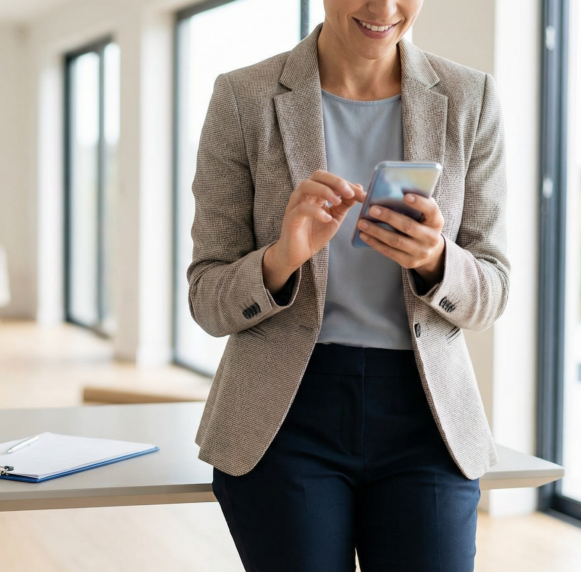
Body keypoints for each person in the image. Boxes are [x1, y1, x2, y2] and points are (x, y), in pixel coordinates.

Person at [187, 1, 510, 570]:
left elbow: (493, 291)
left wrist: (437, 260)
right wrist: (281, 258)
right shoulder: (244, 98)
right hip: (283, 416)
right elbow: (207, 297)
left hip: (426, 416)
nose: (382, 8)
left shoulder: (470, 98)